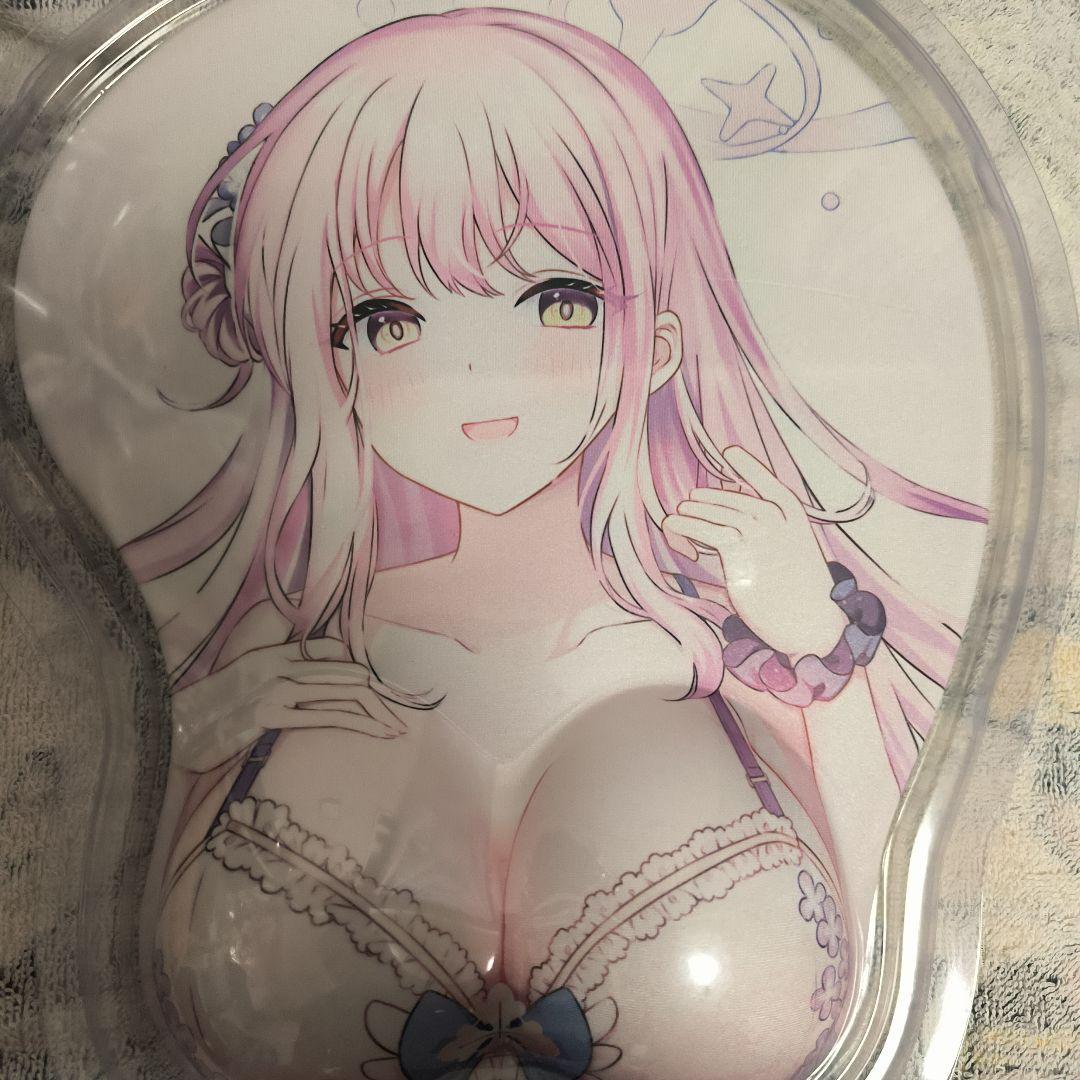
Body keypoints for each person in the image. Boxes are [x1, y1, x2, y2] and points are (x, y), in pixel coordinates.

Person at [126, 9, 985, 1078]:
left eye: (559, 301)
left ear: (657, 343)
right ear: (329, 360)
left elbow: (882, 836)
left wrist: (814, 631)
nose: (474, 375)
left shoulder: (720, 612)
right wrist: (205, 726)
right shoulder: (302, 626)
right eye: (392, 320)